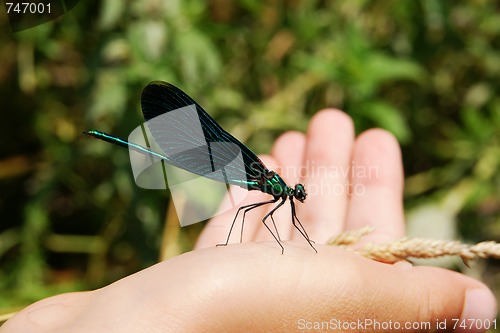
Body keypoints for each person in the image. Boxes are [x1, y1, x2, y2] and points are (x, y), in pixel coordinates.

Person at [2, 110, 496, 332]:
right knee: (240, 208)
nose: (296, 196)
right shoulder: (267, 185)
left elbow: (282, 216)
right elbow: (246, 208)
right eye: (295, 192)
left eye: (296, 194)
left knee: (243, 207)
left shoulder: (280, 192)